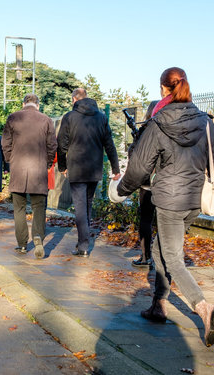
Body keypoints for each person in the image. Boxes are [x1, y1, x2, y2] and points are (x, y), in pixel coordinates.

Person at [117, 67, 214, 346]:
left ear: (163, 89)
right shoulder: (206, 122)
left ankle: (204, 309)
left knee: (171, 256)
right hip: (195, 200)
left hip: (170, 200)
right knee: (160, 250)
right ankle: (159, 304)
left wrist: (122, 190)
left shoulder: (159, 122)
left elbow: (138, 166)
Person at [57, 88, 121, 257]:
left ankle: (84, 245)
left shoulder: (69, 117)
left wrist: (62, 167)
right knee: (87, 205)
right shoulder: (101, 117)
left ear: (74, 100)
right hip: (94, 169)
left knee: (80, 208)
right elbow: (109, 144)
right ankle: (82, 242)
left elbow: (61, 145)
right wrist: (115, 169)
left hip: (76, 168)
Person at [2, 94, 57, 258]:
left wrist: (10, 160)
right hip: (38, 170)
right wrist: (46, 163)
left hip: (18, 168)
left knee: (19, 208)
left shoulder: (13, 118)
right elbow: (52, 145)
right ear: (38, 105)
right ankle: (38, 237)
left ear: (23, 103)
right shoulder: (46, 120)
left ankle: (22, 244)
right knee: (39, 206)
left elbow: (5, 143)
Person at [128, 100, 159, 268]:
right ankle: (164, 258)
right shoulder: (170, 128)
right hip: (167, 184)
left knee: (146, 220)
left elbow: (135, 156)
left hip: (147, 184)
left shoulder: (145, 131)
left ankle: (146, 256)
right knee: (163, 223)